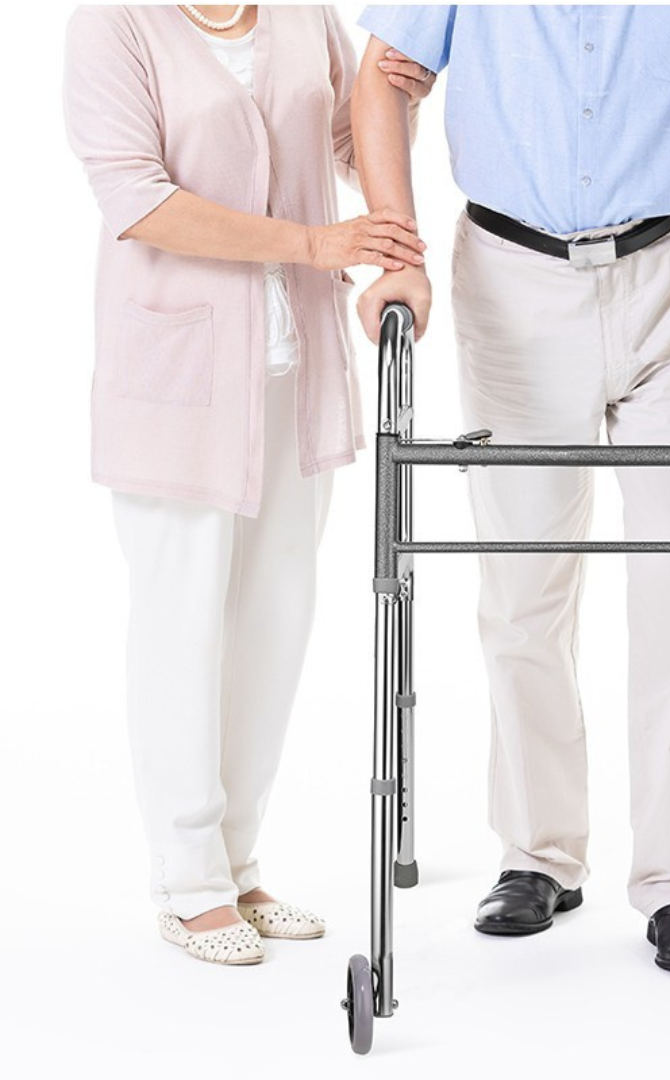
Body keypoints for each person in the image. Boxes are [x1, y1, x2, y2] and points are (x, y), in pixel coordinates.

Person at [351, 4, 670, 974]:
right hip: (514, 277)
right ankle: (538, 855)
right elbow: (383, 76)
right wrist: (398, 257)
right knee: (523, 585)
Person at [62, 4, 435, 967]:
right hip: (178, 381)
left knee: (275, 618)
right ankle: (187, 881)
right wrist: (317, 245)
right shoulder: (115, 24)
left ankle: (236, 864)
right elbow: (136, 199)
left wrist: (400, 97)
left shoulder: (304, 13)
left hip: (293, 369)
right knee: (183, 621)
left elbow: (354, 142)